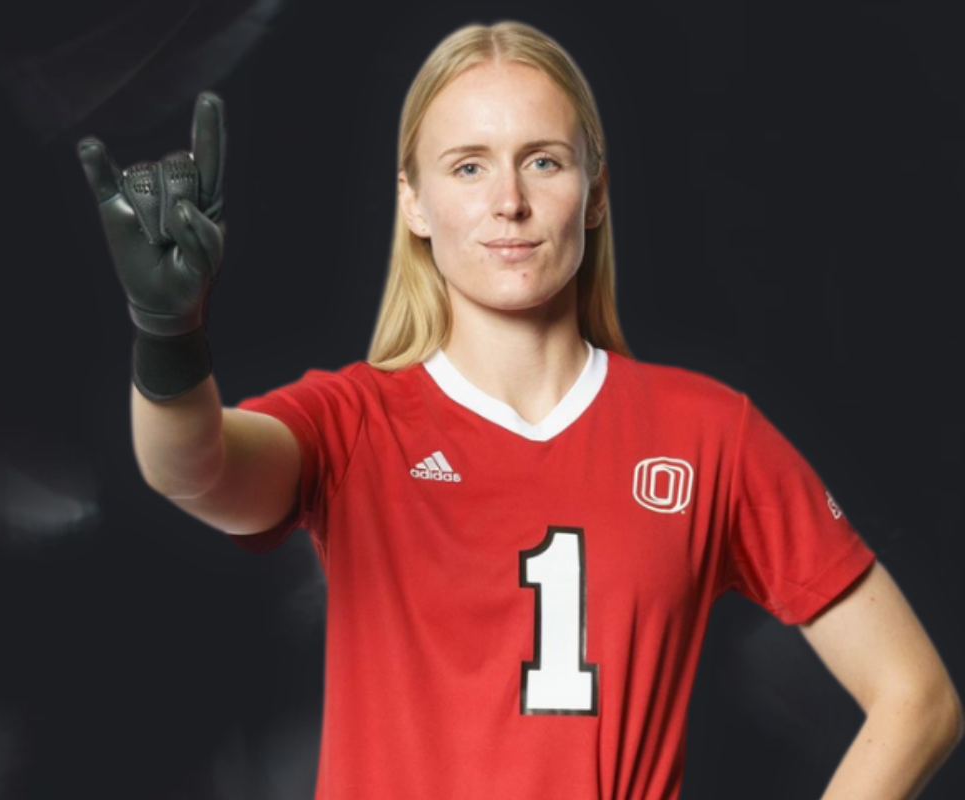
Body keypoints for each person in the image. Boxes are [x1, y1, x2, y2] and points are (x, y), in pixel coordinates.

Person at [76, 20, 963, 800]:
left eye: (543, 160)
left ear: (597, 191)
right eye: (469, 166)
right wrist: (168, 332)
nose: (509, 201)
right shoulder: (355, 424)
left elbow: (916, 698)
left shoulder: (708, 434)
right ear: (414, 204)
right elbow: (189, 466)